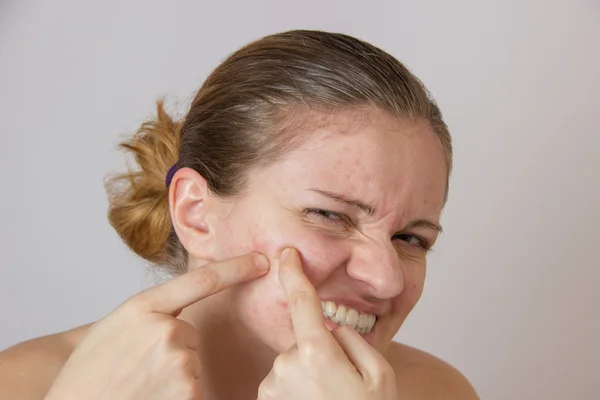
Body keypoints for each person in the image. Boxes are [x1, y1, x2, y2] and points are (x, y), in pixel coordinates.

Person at [0, 30, 479, 399]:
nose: (387, 280)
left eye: (411, 239)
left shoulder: (435, 391)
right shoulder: (29, 386)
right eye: (329, 215)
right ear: (196, 214)